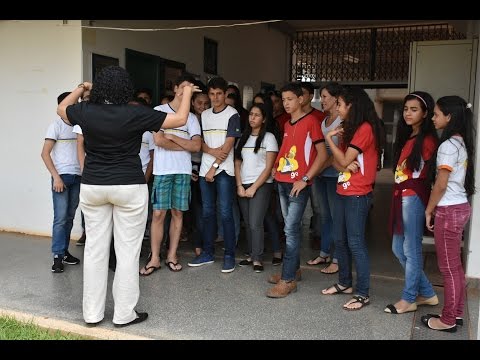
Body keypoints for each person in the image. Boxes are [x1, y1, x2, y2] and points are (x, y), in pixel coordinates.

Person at [57, 65, 199, 327]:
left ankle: (92, 314)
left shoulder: (86, 110)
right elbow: (179, 120)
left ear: (99, 88)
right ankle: (124, 314)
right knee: (127, 253)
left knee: (95, 251)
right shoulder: (137, 112)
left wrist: (81, 88)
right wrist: (187, 92)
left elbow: (61, 109)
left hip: (94, 185)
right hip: (129, 186)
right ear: (126, 88)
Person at [321, 86, 384, 311]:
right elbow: (339, 163)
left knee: (355, 242)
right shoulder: (348, 129)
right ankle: (345, 283)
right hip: (343, 189)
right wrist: (345, 161)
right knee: (340, 239)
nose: (337, 107)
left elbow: (344, 159)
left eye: (339, 104)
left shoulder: (365, 129)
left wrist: (330, 139)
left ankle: (362, 293)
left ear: (351, 106)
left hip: (358, 192)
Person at [266, 82, 328, 298]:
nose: (286, 103)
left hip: (297, 185)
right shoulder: (288, 123)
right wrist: (275, 167)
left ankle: (288, 279)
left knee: (291, 231)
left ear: (302, 99)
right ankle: (293, 269)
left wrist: (305, 179)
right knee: (288, 229)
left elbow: (322, 155)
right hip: (282, 181)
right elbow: (286, 148)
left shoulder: (311, 122)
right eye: (283, 100)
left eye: (290, 99)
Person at [421, 96, 475, 332]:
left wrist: (429, 209)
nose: (433, 118)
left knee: (449, 269)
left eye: (436, 114)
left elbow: (441, 185)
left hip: (449, 209)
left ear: (449, 117)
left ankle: (448, 319)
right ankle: (456, 313)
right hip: (460, 206)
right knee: (456, 267)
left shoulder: (447, 146)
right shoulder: (460, 142)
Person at [139, 74, 201, 275]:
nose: (186, 92)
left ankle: (172, 255)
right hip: (162, 171)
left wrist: (172, 137)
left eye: (190, 89)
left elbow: (197, 145)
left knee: (177, 213)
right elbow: (159, 141)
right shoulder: (159, 111)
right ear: (175, 89)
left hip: (182, 172)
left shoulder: (191, 118)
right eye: (184, 88)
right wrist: (183, 145)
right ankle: (155, 257)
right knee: (158, 214)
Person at [384, 91, 439, 315]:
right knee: (398, 247)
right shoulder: (409, 137)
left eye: (414, 109)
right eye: (406, 109)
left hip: (413, 197)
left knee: (410, 248)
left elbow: (429, 176)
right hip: (402, 196)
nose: (408, 113)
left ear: (425, 113)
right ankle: (427, 292)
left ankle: (409, 298)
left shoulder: (427, 141)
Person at [187, 76, 241, 273]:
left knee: (225, 213)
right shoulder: (205, 115)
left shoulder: (233, 114)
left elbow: (229, 144)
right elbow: (199, 142)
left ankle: (229, 256)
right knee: (208, 213)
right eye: (212, 94)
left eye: (219, 94)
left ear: (225, 94)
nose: (216, 97)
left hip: (224, 171)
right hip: (205, 170)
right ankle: (207, 253)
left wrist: (214, 165)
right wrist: (211, 153)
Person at [235, 103, 279, 272]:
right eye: (251, 114)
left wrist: (254, 187)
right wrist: (239, 185)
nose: (252, 118)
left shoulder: (269, 138)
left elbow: (268, 167)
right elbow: (237, 163)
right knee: (247, 222)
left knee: (255, 222)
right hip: (243, 184)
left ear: (264, 119)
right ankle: (251, 254)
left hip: (261, 185)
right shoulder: (243, 137)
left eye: (257, 115)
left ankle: (257, 258)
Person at [41, 92, 82, 273]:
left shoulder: (81, 126)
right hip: (61, 178)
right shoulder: (55, 125)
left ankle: (64, 251)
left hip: (78, 177)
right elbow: (44, 153)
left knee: (70, 217)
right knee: (60, 218)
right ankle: (57, 255)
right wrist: (56, 177)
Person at [307, 82, 343, 274]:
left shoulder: (342, 122)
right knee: (324, 215)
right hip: (321, 174)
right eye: (321, 97)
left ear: (337, 98)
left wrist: (320, 166)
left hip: (334, 174)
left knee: (337, 216)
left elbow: (336, 153)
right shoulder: (324, 122)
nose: (322, 101)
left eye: (325, 97)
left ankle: (337, 258)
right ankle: (324, 252)